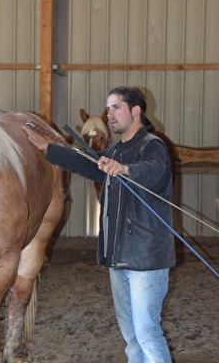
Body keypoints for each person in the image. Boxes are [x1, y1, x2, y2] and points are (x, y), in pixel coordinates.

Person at [22, 86, 175, 363]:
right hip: (117, 255)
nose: (109, 114)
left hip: (146, 257)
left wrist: (126, 169)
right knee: (131, 339)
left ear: (136, 111)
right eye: (108, 108)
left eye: (116, 107)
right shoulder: (115, 150)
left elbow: (154, 171)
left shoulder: (153, 145)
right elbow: (88, 164)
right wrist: (50, 150)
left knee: (147, 334)